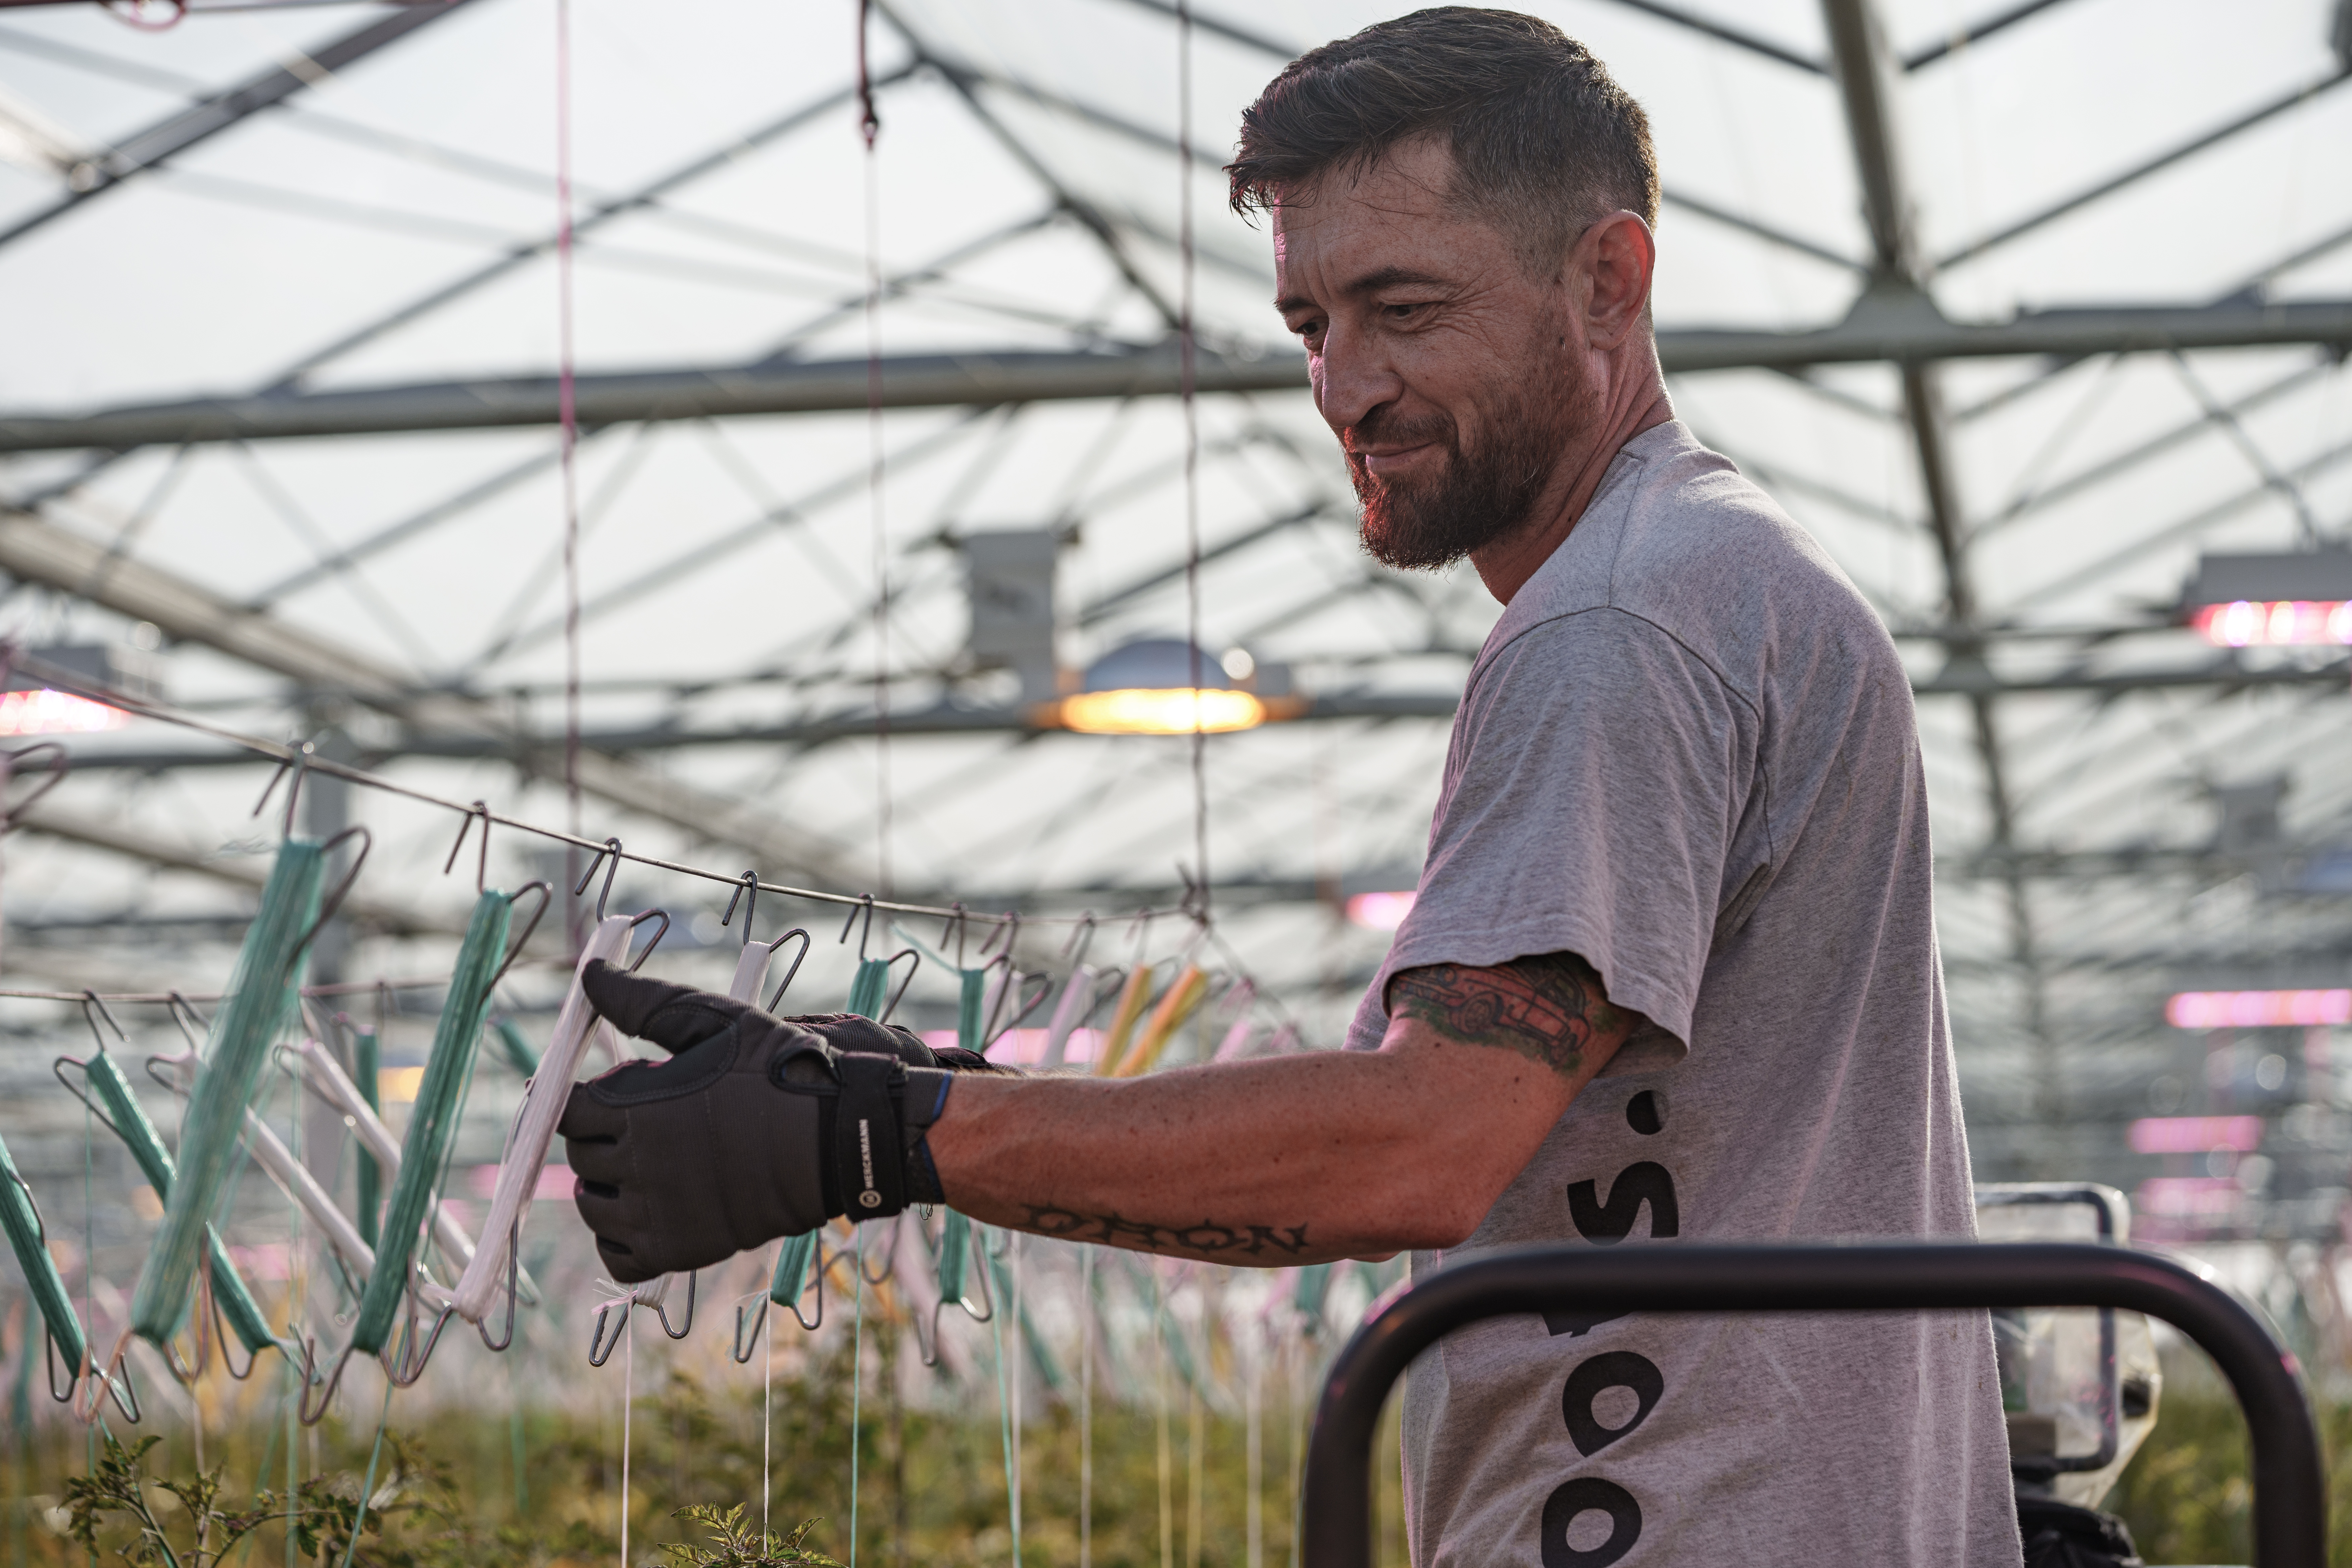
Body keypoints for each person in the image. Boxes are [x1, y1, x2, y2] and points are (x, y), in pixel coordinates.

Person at [559, 8, 2019, 1563]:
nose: (1346, 387)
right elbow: (1435, 1115)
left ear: (1610, 278)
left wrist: (886, 1136)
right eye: (1312, 323)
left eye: (1403, 306)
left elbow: (1417, 1143)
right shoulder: (1717, 577)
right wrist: (931, 1087)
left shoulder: (1620, 625)